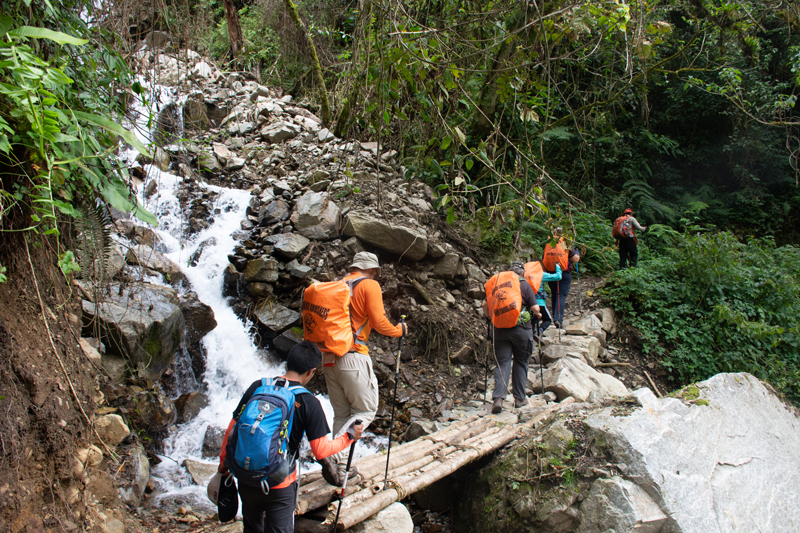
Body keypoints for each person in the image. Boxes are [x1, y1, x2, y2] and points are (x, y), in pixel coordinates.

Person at [217, 341, 364, 533]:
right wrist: (350, 436)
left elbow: (232, 430)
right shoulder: (309, 402)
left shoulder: (258, 387)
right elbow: (320, 451)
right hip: (280, 483)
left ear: (288, 362)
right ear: (311, 371)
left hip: (246, 478)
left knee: (252, 529)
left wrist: (223, 467)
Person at [321, 251, 407, 484]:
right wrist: (400, 330)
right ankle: (333, 454)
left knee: (343, 415)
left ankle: (339, 469)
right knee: (366, 411)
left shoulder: (337, 285)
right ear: (373, 270)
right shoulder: (369, 285)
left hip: (329, 359)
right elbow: (379, 322)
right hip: (353, 356)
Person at [482, 261, 540, 414]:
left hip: (500, 330)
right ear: (522, 273)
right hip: (521, 330)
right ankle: (520, 399)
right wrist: (538, 313)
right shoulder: (524, 284)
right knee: (521, 361)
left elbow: (484, 305)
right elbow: (534, 307)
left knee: (502, 363)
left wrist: (489, 318)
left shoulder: (499, 285)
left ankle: (499, 398)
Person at [542, 229, 580, 329]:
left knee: (555, 294)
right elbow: (575, 259)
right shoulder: (564, 243)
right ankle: (558, 319)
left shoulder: (549, 243)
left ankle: (555, 317)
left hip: (551, 271)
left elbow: (544, 258)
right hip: (564, 272)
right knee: (561, 294)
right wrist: (577, 252)